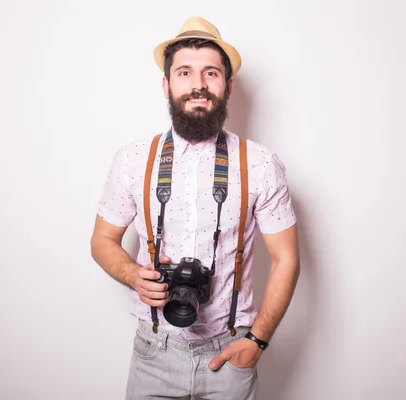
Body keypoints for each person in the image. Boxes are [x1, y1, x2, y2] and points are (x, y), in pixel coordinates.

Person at [90, 16, 300, 400]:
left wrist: (259, 340)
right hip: (154, 351)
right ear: (166, 84)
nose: (198, 85)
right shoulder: (133, 159)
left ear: (228, 86)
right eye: (184, 72)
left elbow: (286, 259)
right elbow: (103, 240)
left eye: (211, 73)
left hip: (231, 350)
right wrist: (134, 274)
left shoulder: (260, 163)